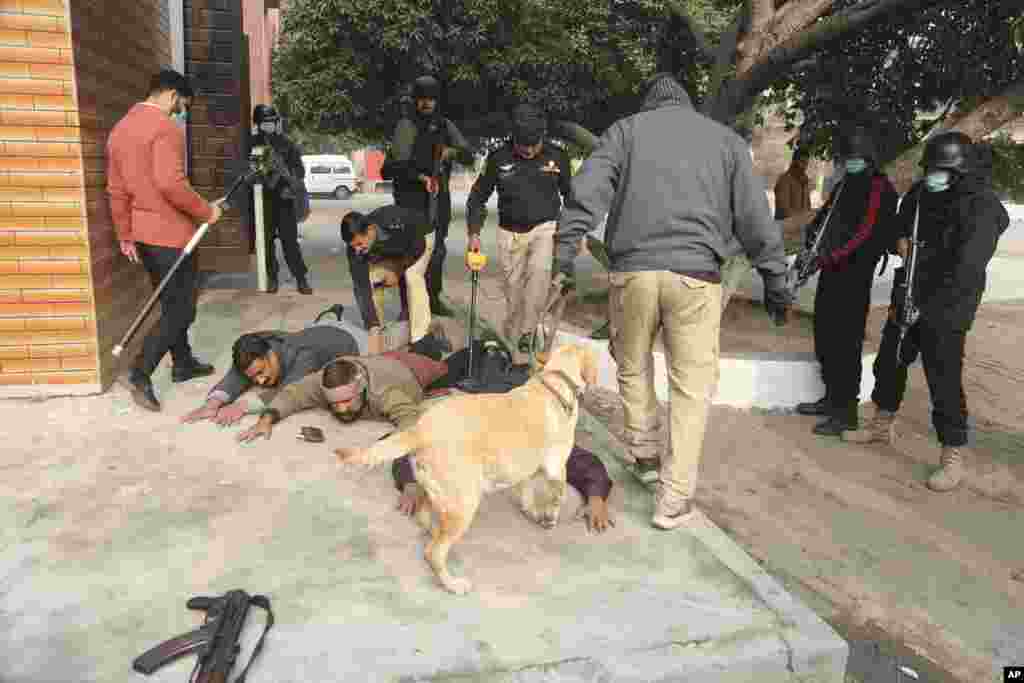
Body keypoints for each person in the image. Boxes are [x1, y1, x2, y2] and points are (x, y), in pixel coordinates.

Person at [552, 72, 792, 530]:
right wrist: (775, 279)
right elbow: (755, 217)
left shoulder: (626, 131)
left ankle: (644, 453)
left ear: (650, 107)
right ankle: (673, 499)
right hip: (696, 278)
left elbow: (588, 190)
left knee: (632, 362)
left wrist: (565, 253)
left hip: (633, 273)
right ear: (686, 106)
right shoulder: (724, 142)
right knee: (690, 387)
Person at [239, 352, 616, 532]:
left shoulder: (392, 396)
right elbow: (294, 394)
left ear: (364, 390)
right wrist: (267, 417)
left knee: (474, 373)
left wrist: (596, 495)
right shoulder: (329, 379)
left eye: (348, 402)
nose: (339, 411)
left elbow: (411, 433)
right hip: (421, 387)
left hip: (432, 379)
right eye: (333, 403)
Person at [840, 132, 1009, 492]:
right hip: (909, 291)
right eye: (930, 168)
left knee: (942, 376)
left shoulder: (980, 206)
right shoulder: (920, 195)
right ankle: (881, 426)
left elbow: (967, 266)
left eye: (940, 170)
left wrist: (929, 302)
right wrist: (899, 241)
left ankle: (952, 454)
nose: (932, 175)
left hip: (949, 303)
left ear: (960, 171)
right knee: (889, 360)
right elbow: (897, 229)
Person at [107, 69, 224, 412]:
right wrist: (206, 212)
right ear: (172, 95)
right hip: (171, 236)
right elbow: (170, 184)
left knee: (172, 301)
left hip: (143, 237)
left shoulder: (119, 130)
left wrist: (124, 233)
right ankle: (140, 373)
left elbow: (116, 189)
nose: (180, 113)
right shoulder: (164, 128)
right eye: (181, 106)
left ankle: (183, 363)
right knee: (182, 308)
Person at [794, 127, 899, 436]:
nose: (851, 162)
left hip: (854, 275)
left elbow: (864, 233)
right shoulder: (844, 185)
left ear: (868, 158)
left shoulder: (880, 188)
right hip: (831, 271)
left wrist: (826, 258)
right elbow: (824, 219)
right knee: (824, 335)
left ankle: (846, 412)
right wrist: (810, 246)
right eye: (848, 157)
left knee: (846, 342)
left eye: (856, 157)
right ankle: (831, 399)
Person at [465, 104, 574, 372]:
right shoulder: (497, 157)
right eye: (523, 145)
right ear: (514, 138)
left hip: (544, 230)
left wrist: (574, 233)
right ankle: (513, 344)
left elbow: (572, 198)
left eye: (534, 144)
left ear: (542, 137)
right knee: (514, 297)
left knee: (537, 287)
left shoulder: (558, 157)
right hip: (509, 233)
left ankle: (525, 351)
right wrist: (474, 234)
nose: (528, 150)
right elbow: (477, 198)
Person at [382, 75, 475, 316]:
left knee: (437, 251)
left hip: (437, 198)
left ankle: (432, 299)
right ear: (415, 100)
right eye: (422, 99)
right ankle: (408, 306)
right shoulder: (406, 125)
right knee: (409, 251)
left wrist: (450, 153)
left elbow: (468, 155)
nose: (426, 104)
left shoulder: (445, 125)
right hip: (410, 199)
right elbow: (393, 167)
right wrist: (420, 177)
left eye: (430, 99)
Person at [180, 324, 361, 426]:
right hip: (317, 329)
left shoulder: (303, 356)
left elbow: (287, 392)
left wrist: (243, 406)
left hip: (349, 340)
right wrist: (213, 403)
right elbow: (238, 373)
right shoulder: (256, 343)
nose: (259, 381)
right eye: (254, 377)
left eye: (261, 372)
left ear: (270, 355)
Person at [340, 205, 434, 343]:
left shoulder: (393, 220)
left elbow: (418, 246)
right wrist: (372, 324)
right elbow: (361, 286)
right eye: (353, 246)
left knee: (412, 278)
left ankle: (420, 338)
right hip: (393, 251)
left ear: (371, 230)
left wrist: (398, 271)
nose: (357, 250)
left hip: (421, 241)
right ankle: (378, 332)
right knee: (373, 280)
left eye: (359, 244)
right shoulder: (355, 249)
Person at [252, 104, 312, 295]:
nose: (269, 125)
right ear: (258, 123)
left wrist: (287, 178)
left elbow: (300, 171)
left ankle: (301, 277)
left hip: (284, 199)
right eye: (265, 122)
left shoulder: (287, 143)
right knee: (266, 241)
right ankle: (272, 278)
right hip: (263, 199)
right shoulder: (251, 143)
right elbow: (247, 168)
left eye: (272, 121)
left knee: (290, 241)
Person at [774, 148, 812, 221]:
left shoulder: (805, 180)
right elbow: (784, 209)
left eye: (806, 163)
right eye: (802, 162)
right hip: (785, 228)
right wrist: (800, 220)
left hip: (800, 228)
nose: (804, 166)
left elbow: (808, 207)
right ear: (794, 162)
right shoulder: (784, 180)